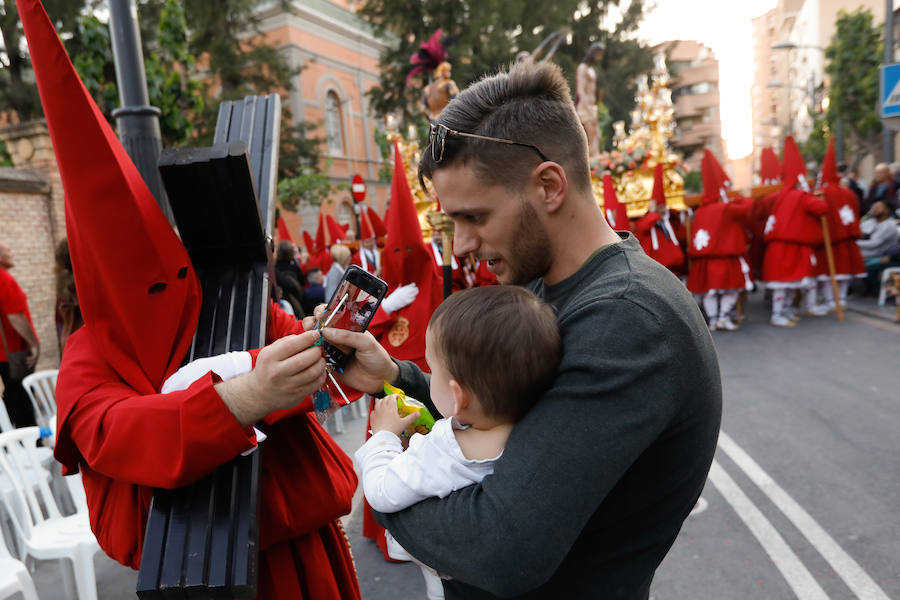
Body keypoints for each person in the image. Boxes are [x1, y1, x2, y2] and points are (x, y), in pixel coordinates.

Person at [323, 60, 722, 599]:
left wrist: (384, 484)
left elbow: (499, 548)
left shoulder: (627, 322)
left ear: (549, 185)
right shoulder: (552, 286)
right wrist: (396, 375)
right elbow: (502, 413)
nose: (460, 244)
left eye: (474, 217)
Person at [18, 1, 362, 596]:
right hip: (204, 569)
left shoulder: (223, 296)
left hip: (307, 541)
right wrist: (244, 395)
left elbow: (314, 364)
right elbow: (112, 431)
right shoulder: (87, 355)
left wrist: (324, 347)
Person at [355, 286, 561, 599]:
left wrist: (384, 437)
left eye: (431, 369)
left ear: (457, 394)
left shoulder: (442, 449)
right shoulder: (536, 433)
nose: (428, 374)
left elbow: (382, 492)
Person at [762, 136, 829, 326]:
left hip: (780, 246)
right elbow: (822, 209)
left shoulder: (778, 195)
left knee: (788, 283)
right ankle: (778, 314)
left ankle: (785, 310)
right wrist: (821, 198)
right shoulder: (801, 195)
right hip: (792, 246)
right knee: (785, 283)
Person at [686, 150, 752, 331]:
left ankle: (714, 320)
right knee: (731, 290)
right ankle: (722, 317)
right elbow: (746, 208)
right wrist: (742, 196)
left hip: (705, 259)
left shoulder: (699, 211)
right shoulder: (725, 208)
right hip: (724, 258)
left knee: (710, 292)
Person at [814, 140, 865, 311]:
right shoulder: (849, 193)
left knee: (828, 273)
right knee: (844, 271)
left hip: (828, 239)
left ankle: (831, 300)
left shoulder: (820, 193)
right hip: (847, 237)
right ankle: (841, 299)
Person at [0, 242, 40, 428]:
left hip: (4, 353)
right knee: (23, 398)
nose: (12, 252)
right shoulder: (4, 279)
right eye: (7, 250)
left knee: (12, 396)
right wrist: (34, 343)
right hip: (13, 351)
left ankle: (12, 443)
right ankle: (33, 443)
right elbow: (15, 317)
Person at [575, 42, 605, 159]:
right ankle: (592, 162)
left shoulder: (591, 68)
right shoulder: (582, 68)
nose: (599, 57)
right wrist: (587, 108)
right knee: (591, 135)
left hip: (592, 106)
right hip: (584, 106)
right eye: (598, 54)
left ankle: (596, 160)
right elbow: (580, 91)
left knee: (597, 135)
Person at [274, 240, 306, 318]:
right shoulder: (295, 268)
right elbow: (303, 283)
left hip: (280, 304)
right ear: (292, 253)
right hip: (296, 302)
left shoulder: (275, 269)